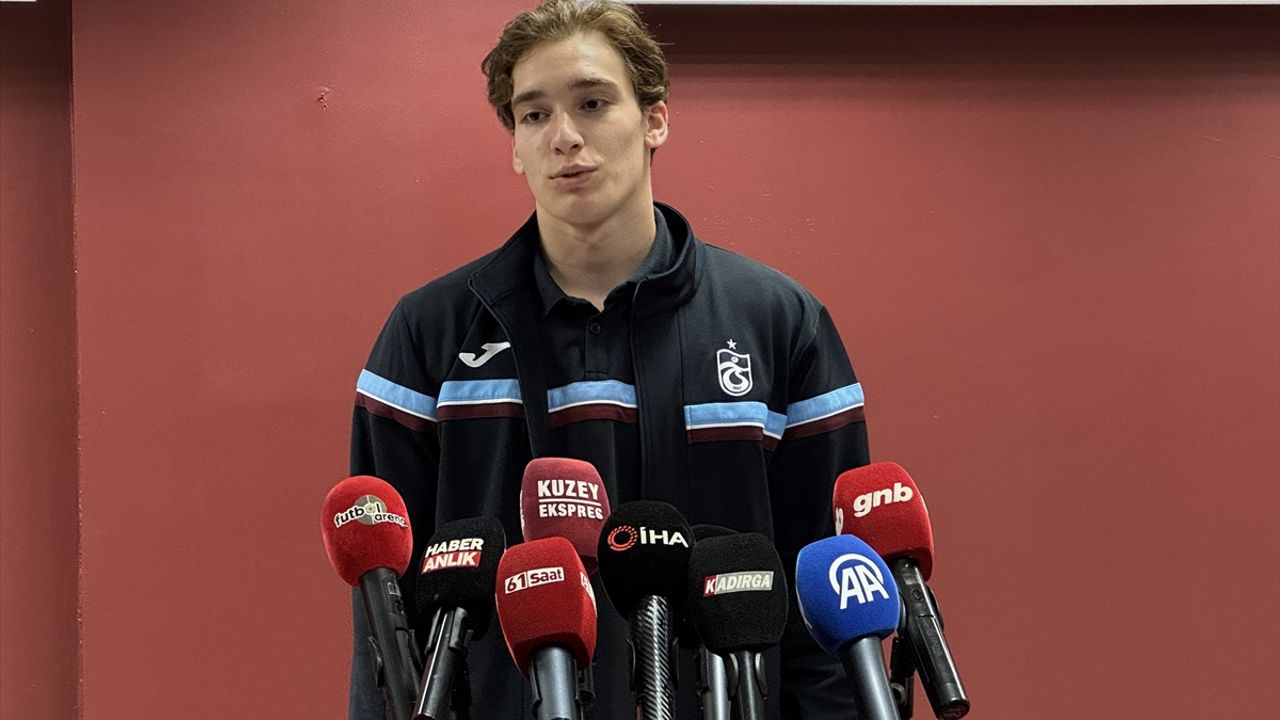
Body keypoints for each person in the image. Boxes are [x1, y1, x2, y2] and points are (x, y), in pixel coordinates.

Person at [349, 1, 869, 717]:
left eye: (592, 103)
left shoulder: (781, 322)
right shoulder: (426, 333)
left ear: (655, 119)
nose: (564, 136)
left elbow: (829, 592)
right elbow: (386, 619)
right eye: (534, 115)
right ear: (515, 146)